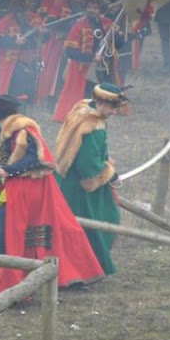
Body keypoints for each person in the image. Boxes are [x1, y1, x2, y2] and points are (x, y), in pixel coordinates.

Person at [0, 95, 105, 296]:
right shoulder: (11, 133)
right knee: (3, 239)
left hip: (32, 193)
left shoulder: (23, 130)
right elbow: (9, 168)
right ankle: (14, 284)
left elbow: (38, 160)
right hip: (20, 193)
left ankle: (15, 287)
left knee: (10, 238)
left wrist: (9, 171)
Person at [54, 83, 126, 275]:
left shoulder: (82, 109)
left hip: (65, 179)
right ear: (100, 103)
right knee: (98, 223)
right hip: (80, 187)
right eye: (112, 108)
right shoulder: (92, 126)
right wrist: (111, 174)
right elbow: (88, 164)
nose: (114, 112)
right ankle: (84, 271)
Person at [51, 0, 119, 122]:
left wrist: (116, 35)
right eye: (89, 7)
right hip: (83, 69)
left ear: (100, 10)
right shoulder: (78, 26)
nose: (91, 10)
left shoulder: (107, 24)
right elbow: (70, 51)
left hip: (103, 67)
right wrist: (92, 57)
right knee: (86, 97)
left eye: (95, 8)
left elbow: (119, 44)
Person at [0, 0, 46, 102]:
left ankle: (28, 108)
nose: (25, 14)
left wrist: (43, 33)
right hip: (14, 62)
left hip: (33, 59)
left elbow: (46, 37)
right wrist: (13, 41)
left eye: (26, 10)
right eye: (22, 11)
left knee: (31, 89)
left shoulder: (35, 18)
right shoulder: (5, 21)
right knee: (16, 90)